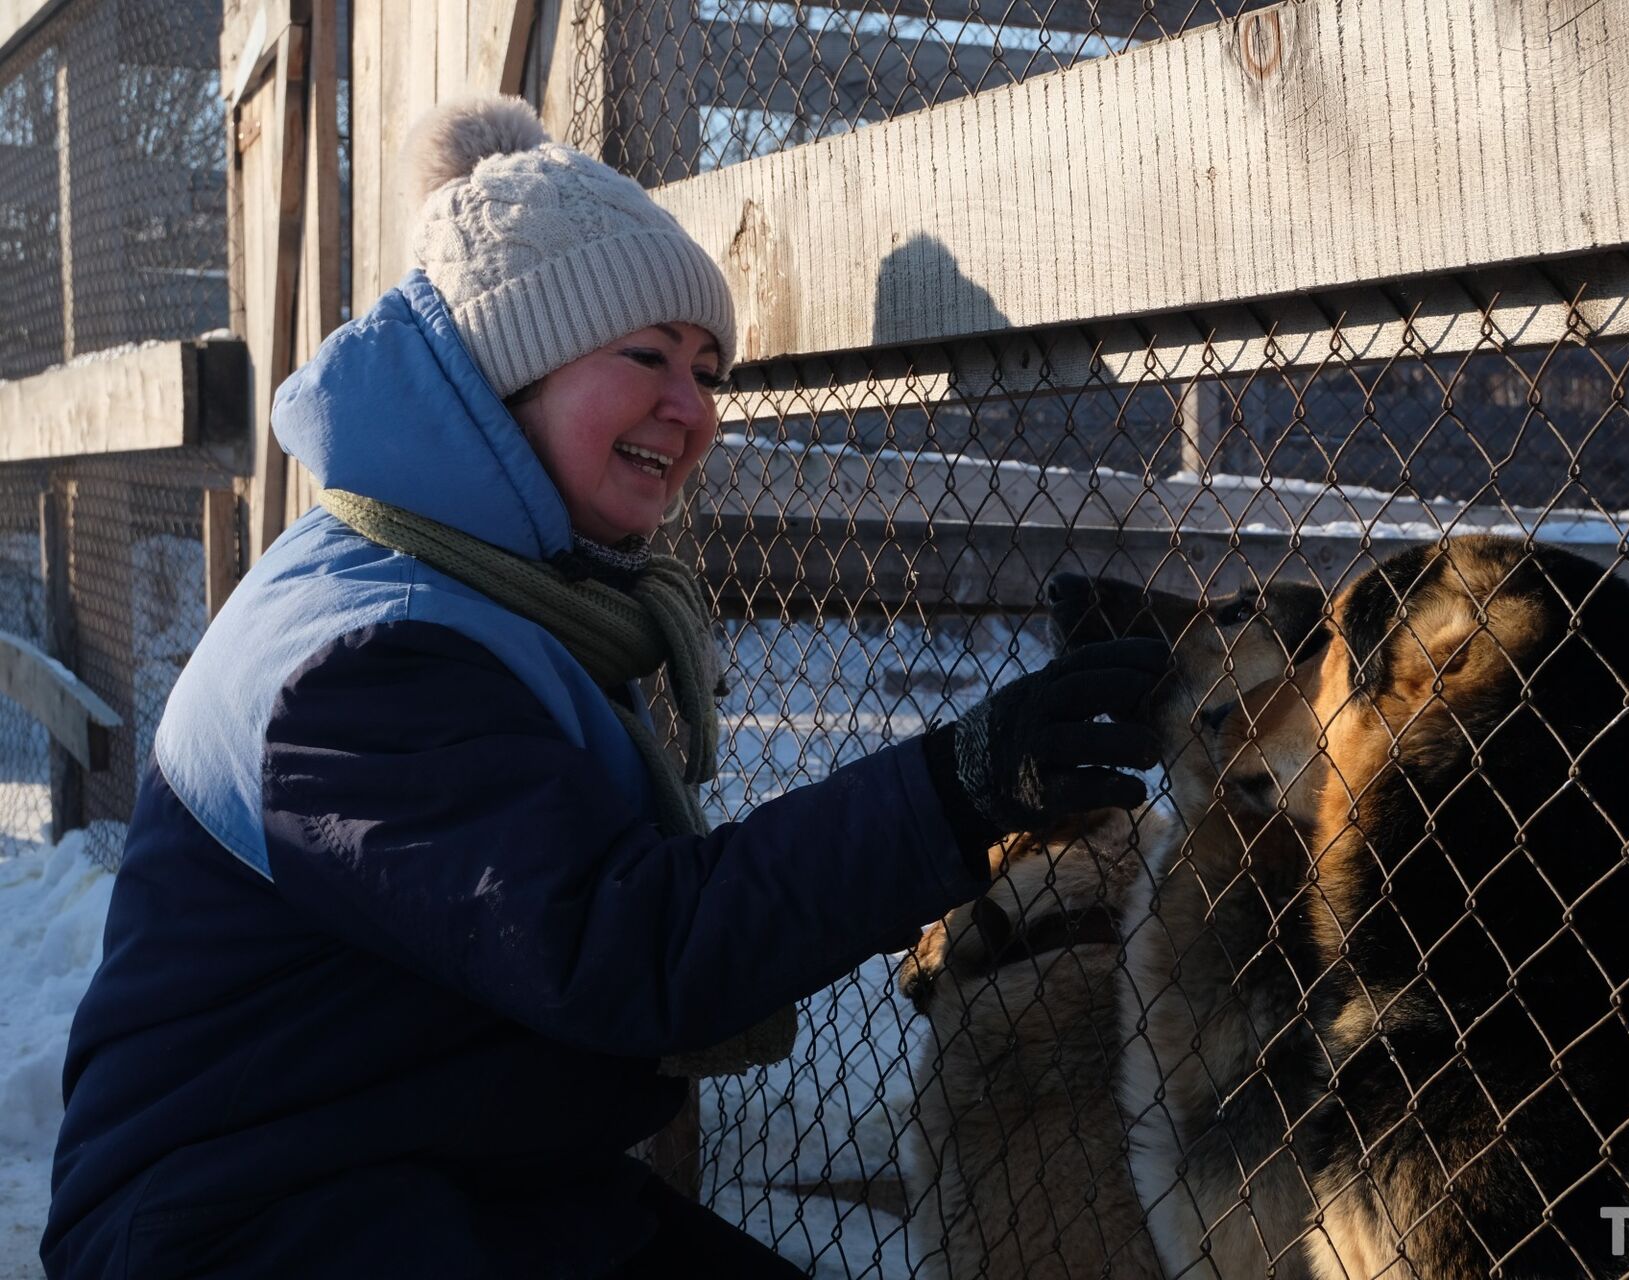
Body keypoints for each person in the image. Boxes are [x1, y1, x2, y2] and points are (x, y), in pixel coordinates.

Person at [41, 96, 1166, 1278]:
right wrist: (958, 785)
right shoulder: (364, 656)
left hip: (424, 1163)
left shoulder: (481, 582)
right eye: (645, 358)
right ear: (509, 371)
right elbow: (631, 945)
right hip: (243, 1224)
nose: (692, 410)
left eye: (707, 369)